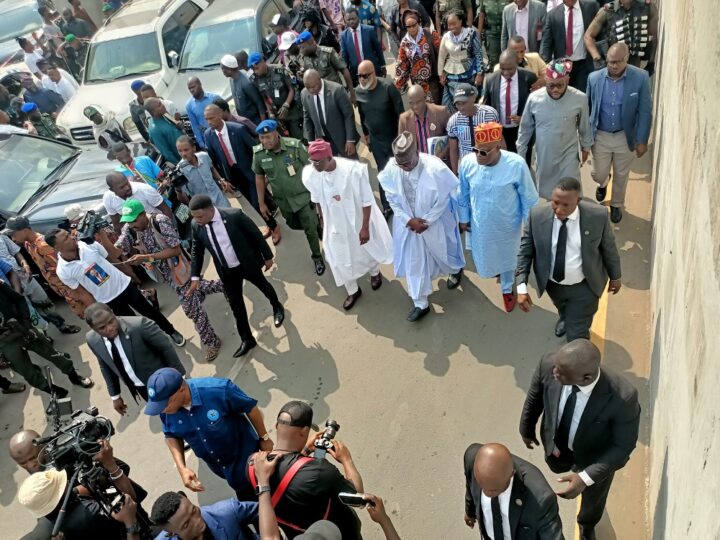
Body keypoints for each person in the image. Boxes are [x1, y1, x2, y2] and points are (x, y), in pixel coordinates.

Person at [519, 339, 641, 540]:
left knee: (594, 499)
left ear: (586, 378)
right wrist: (526, 427)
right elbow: (535, 395)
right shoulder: (549, 363)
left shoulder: (623, 397)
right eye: (555, 368)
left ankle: (587, 526)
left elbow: (623, 447)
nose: (554, 373)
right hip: (559, 447)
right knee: (557, 465)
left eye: (560, 373)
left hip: (595, 458)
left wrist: (585, 478)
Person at [116, 199, 226, 361]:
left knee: (191, 309)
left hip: (180, 271)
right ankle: (226, 285)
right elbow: (118, 250)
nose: (131, 225)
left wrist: (147, 257)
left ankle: (212, 341)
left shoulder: (160, 221)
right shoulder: (130, 229)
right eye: (128, 221)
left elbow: (175, 250)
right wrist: (100, 240)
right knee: (200, 287)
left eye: (133, 220)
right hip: (167, 277)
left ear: (143, 214)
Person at [515, 178, 622, 340]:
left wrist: (615, 277)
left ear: (578, 201)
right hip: (553, 285)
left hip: (586, 287)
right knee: (563, 308)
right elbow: (525, 252)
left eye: (566, 205)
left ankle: (579, 345)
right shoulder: (536, 215)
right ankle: (565, 318)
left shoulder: (598, 216)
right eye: (555, 202)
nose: (559, 209)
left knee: (577, 335)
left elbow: (609, 248)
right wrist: (521, 287)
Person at [144, 367, 273, 500]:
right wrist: (182, 468)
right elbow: (170, 434)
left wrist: (264, 438)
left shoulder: (219, 390)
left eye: (165, 404)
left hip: (251, 461)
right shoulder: (166, 410)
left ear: (181, 389)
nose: (162, 410)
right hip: (225, 471)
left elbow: (250, 408)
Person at [378, 132, 466, 321]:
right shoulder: (392, 168)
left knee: (442, 253)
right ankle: (420, 302)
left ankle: (455, 269)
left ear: (416, 153)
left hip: (433, 223)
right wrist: (408, 220)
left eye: (407, 164)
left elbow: (444, 199)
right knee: (414, 262)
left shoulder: (434, 167)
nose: (404, 168)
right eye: (401, 165)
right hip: (409, 226)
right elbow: (391, 198)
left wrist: (426, 222)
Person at [245, 400, 364, 539]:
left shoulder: (253, 465)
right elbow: (357, 496)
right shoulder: (319, 471)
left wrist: (305, 451)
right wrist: (346, 460)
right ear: (305, 431)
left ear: (276, 426)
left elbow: (285, 472)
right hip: (335, 533)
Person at [48, 227, 186, 344]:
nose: (71, 237)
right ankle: (151, 343)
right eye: (66, 238)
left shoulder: (88, 245)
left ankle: (171, 331)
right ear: (56, 247)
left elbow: (112, 258)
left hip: (125, 285)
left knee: (150, 312)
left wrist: (131, 275)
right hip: (108, 300)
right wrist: (97, 309)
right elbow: (82, 293)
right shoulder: (63, 270)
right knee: (131, 324)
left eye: (68, 234)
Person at [188, 195, 284, 357]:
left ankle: (277, 306)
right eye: (194, 217)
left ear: (211, 210)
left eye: (200, 216)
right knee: (236, 306)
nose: (197, 220)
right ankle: (247, 339)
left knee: (263, 286)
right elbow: (197, 250)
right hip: (226, 271)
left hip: (246, 264)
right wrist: (195, 277)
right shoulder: (196, 225)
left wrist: (267, 257)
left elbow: (255, 235)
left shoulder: (234, 216)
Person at [302, 140, 393, 309]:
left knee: (366, 249)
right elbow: (318, 200)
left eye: (317, 161)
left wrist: (365, 227)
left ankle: (375, 273)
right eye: (312, 161)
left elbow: (367, 201)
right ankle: (353, 290)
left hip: (357, 220)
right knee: (339, 257)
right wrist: (322, 220)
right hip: (334, 224)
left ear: (329, 158)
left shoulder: (353, 171)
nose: (314, 165)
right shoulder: (312, 175)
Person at [458, 122, 539, 312]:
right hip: (481, 226)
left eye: (484, 152)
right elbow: (462, 193)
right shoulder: (467, 163)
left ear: (498, 147)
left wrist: (530, 230)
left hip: (508, 228)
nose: (478, 155)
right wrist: (464, 218)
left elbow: (529, 200)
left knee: (508, 258)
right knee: (487, 257)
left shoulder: (516, 165)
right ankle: (497, 272)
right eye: (476, 150)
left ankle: (507, 288)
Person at [586, 42, 652, 223]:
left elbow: (645, 111)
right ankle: (603, 182)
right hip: (600, 135)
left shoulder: (640, 78)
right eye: (610, 62)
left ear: (627, 59)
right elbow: (588, 109)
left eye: (617, 62)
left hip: (625, 135)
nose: (613, 66)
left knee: (621, 174)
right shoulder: (594, 78)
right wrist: (585, 139)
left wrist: (642, 140)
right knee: (597, 173)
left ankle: (616, 204)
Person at [18, 447, 146, 539]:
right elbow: (131, 500)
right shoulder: (92, 513)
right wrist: (130, 524)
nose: (67, 481)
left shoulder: (46, 518)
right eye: (61, 485)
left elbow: (80, 490)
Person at [252, 120, 326, 275]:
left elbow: (312, 169)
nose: (265, 141)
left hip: (303, 197)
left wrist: (318, 194)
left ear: (276, 134)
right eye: (261, 138)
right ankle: (316, 227)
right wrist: (261, 202)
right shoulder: (259, 154)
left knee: (309, 230)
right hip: (283, 201)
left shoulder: (295, 146)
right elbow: (259, 177)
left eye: (268, 137)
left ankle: (317, 257)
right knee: (293, 224)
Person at [0, 274, 92, 396]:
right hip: (4, 342)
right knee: (28, 372)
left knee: (53, 354)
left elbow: (19, 300)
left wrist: (26, 324)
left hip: (21, 328)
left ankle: (74, 377)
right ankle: (52, 390)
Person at [85, 303, 187, 413]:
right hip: (143, 388)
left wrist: (181, 378)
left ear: (113, 313)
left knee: (187, 410)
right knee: (166, 414)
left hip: (166, 382)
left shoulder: (139, 326)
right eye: (102, 328)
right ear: (93, 328)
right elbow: (105, 365)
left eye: (111, 321)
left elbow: (166, 349)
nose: (109, 328)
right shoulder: (92, 340)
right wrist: (115, 396)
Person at [203, 104, 281, 243]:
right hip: (234, 175)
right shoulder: (208, 135)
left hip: (251, 172)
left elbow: (255, 150)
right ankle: (269, 223)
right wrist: (222, 179)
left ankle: (274, 227)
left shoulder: (238, 129)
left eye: (211, 118)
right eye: (206, 119)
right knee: (251, 203)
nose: (209, 122)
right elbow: (213, 160)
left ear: (220, 115)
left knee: (257, 203)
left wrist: (265, 172)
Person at [517, 60, 593, 199]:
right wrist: (521, 152)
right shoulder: (534, 99)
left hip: (569, 154)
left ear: (567, 80)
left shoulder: (580, 98)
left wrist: (586, 147)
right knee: (547, 195)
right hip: (545, 155)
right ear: (545, 80)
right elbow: (525, 128)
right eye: (551, 85)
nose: (555, 89)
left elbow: (584, 126)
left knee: (570, 191)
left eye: (560, 85)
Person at [463, 442, 564, 539]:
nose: (486, 494)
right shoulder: (471, 458)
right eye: (481, 485)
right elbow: (469, 484)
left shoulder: (541, 499)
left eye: (493, 490)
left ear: (512, 474)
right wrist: (469, 511)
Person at [5, 217, 93, 319]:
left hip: (73, 287)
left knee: (90, 313)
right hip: (62, 288)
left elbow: (66, 266)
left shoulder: (43, 246)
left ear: (24, 231)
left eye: (13, 234)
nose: (13, 239)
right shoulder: (27, 244)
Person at [0, 232, 78, 335]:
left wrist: (25, 264)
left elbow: (16, 253)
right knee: (29, 312)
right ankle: (44, 337)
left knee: (44, 301)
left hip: (24, 275)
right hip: (9, 286)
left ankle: (62, 325)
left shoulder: (2, 237)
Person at [355, 60, 405, 215]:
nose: (362, 79)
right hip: (376, 140)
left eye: (365, 76)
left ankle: (405, 202)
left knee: (400, 170)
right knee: (383, 173)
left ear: (373, 73)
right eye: (359, 76)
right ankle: (387, 206)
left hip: (394, 138)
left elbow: (401, 114)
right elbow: (362, 116)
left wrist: (402, 138)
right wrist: (366, 135)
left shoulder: (388, 87)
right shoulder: (359, 92)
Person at [482, 49, 538, 156]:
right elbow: (486, 106)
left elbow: (536, 105)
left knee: (522, 160)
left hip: (521, 131)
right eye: (502, 68)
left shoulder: (529, 77)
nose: (506, 72)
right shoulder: (491, 80)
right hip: (499, 132)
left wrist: (524, 119)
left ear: (517, 63)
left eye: (510, 69)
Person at [151, 491, 269, 540]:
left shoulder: (228, 511)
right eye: (186, 524)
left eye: (194, 511)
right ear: (171, 533)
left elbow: (265, 511)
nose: (197, 521)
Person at [539, 0, 599, 91]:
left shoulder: (591, 7)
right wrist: (545, 65)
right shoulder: (552, 15)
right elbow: (546, 42)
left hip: (584, 64)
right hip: (561, 66)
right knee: (563, 94)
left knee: (581, 94)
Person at [584, 0, 657, 71]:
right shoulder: (607, 10)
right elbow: (588, 36)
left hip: (635, 65)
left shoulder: (647, 7)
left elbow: (654, 36)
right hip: (613, 65)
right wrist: (597, 58)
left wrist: (651, 62)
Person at [301, 69, 358, 158]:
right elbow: (307, 119)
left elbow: (348, 115)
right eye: (307, 87)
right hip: (324, 142)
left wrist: (350, 140)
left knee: (351, 164)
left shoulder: (337, 90)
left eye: (313, 86)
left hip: (342, 138)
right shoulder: (304, 94)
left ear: (319, 80)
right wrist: (311, 142)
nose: (311, 90)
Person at [247, 52, 304, 140]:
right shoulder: (255, 79)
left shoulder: (279, 70)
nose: (256, 72)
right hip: (277, 115)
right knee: (284, 139)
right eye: (253, 70)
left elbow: (292, 89)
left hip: (291, 110)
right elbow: (264, 96)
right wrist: (270, 112)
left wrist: (286, 105)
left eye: (257, 68)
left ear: (263, 62)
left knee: (298, 136)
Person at [447, 83, 501, 174]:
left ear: (473, 98)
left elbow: (499, 140)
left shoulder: (489, 114)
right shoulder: (453, 121)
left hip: (489, 162)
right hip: (467, 166)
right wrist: (455, 173)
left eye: (464, 103)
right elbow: (453, 150)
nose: (461, 107)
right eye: (458, 104)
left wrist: (500, 164)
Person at [438, 11, 485, 111]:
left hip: (469, 72)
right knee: (447, 106)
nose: (451, 27)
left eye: (454, 23)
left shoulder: (471, 33)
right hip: (451, 73)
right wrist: (440, 73)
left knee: (467, 103)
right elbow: (441, 56)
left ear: (460, 21)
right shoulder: (446, 36)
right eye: (449, 24)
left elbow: (478, 53)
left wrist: (479, 73)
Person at [394, 10, 442, 103]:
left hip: (432, 80)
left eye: (414, 25)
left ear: (418, 22)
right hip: (417, 83)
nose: (412, 28)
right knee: (422, 107)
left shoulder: (429, 33)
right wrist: (398, 85)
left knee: (435, 106)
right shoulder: (405, 42)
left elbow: (442, 51)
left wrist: (443, 72)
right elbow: (402, 64)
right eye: (408, 26)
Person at [103, 171, 174, 233]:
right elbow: (117, 224)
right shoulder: (108, 198)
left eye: (127, 183)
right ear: (112, 190)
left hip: (158, 226)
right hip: (138, 232)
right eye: (122, 187)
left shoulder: (144, 189)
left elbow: (166, 209)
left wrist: (169, 230)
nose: (127, 188)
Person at [296, 31, 355, 103]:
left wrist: (352, 92)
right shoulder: (303, 59)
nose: (301, 51)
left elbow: (344, 70)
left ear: (312, 43)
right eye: (299, 48)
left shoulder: (328, 53)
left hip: (336, 94)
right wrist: (302, 76)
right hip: (320, 98)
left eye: (303, 47)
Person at [176, 135, 233, 208]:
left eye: (186, 150)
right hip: (205, 208)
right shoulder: (180, 170)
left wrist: (221, 180)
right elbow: (185, 200)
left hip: (220, 199)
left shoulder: (204, 156)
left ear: (193, 148)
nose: (183, 154)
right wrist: (178, 189)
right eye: (180, 151)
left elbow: (211, 168)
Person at [398, 84, 451, 160]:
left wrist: (443, 154)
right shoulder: (404, 120)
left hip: (439, 162)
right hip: (417, 164)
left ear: (425, 98)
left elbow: (453, 137)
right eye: (411, 103)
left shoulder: (441, 112)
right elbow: (402, 147)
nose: (415, 106)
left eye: (418, 102)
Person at [341, 8, 386, 87]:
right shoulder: (344, 36)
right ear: (345, 20)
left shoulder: (369, 30)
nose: (351, 21)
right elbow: (345, 57)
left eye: (353, 19)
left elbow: (378, 49)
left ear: (358, 17)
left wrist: (383, 66)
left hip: (372, 69)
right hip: (357, 73)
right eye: (348, 20)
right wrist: (347, 75)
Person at [220, 54, 267, 125]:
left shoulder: (246, 83)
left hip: (256, 122)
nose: (222, 71)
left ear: (229, 70)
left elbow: (260, 104)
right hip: (244, 122)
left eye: (223, 69)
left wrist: (263, 124)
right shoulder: (231, 80)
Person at [145, 97, 184, 163]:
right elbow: (166, 153)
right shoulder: (154, 130)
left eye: (161, 103)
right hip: (182, 159)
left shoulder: (164, 115)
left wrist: (179, 127)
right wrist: (179, 165)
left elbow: (174, 130)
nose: (163, 105)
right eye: (159, 105)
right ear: (153, 111)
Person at [185, 77, 220, 148]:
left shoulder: (214, 98)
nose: (191, 90)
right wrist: (201, 144)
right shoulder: (189, 105)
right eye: (189, 88)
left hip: (220, 133)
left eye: (193, 87)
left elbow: (224, 115)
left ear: (200, 84)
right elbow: (195, 125)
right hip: (208, 140)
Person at [476, 0, 506, 67]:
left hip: (507, 32)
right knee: (494, 61)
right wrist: (478, 35)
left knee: (509, 58)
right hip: (492, 33)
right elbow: (481, 15)